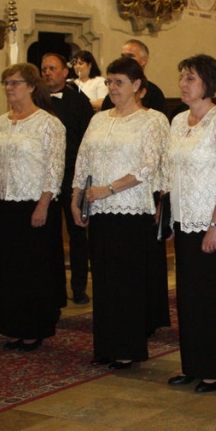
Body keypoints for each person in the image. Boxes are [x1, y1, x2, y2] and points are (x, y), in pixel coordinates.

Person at [72, 56, 169, 370]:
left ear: (137, 85)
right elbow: (83, 159)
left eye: (119, 82)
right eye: (109, 82)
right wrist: (77, 196)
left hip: (132, 211)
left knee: (126, 284)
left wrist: (109, 189)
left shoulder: (152, 120)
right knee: (103, 282)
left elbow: (148, 166)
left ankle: (127, 349)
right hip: (99, 210)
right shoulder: (99, 119)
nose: (112, 88)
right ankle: (106, 347)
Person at [164, 55, 216, 392]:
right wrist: (170, 217)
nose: (183, 84)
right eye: (182, 77)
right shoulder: (177, 121)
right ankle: (194, 364)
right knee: (190, 298)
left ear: (208, 83)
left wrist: (215, 225)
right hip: (186, 221)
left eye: (191, 78)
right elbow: (171, 172)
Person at [0, 63, 66, 352]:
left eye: (15, 83)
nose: (9, 88)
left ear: (32, 86)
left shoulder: (48, 123)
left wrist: (43, 205)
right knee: (9, 269)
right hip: (6, 203)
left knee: (34, 270)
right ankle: (12, 327)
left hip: (35, 204)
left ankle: (34, 328)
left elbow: (54, 168)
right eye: (6, 83)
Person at [42, 52, 94, 305]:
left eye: (52, 68)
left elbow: (87, 141)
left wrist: (83, 179)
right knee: (49, 234)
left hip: (73, 175)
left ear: (65, 72)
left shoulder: (79, 101)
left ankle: (79, 287)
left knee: (77, 234)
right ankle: (54, 287)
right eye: (44, 69)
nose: (47, 73)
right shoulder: (37, 100)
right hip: (45, 177)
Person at [100, 39, 168, 116]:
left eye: (130, 56)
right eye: (123, 56)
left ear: (144, 60)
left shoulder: (154, 94)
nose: (125, 60)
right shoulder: (113, 94)